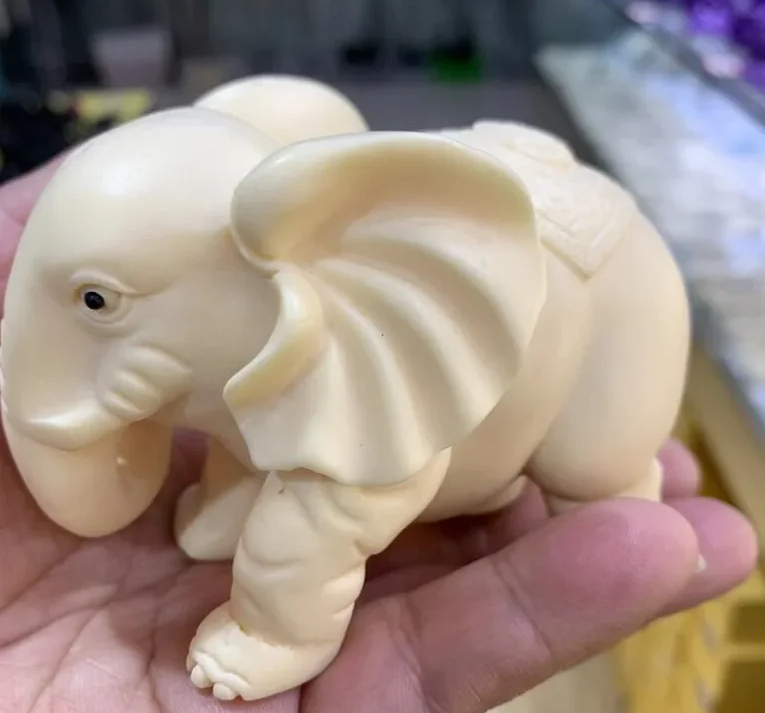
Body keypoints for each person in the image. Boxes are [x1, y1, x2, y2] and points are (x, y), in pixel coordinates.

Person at [0, 160, 757, 713]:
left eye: (100, 303)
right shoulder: (264, 330)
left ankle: (285, 636)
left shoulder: (344, 375)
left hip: (609, 294)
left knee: (593, 469)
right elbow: (236, 406)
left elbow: (328, 509)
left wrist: (275, 621)